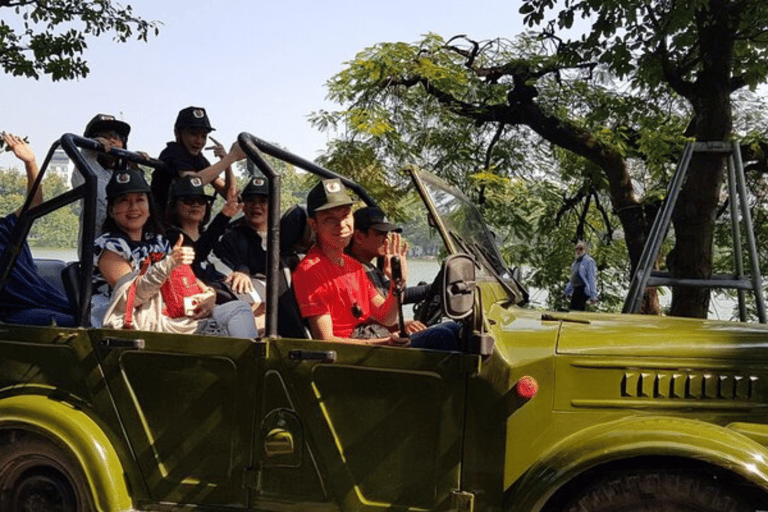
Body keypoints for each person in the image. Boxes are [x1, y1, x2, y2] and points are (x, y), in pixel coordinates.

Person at [292, 179, 460, 350]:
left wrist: (397, 282)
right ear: (313, 224)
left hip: (373, 341)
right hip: (350, 358)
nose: (341, 224)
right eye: (330, 219)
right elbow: (325, 341)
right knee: (444, 336)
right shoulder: (310, 271)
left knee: (455, 329)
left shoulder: (354, 266)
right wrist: (385, 343)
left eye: (345, 215)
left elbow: (387, 317)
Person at [91, 168, 256, 338]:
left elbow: (186, 276)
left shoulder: (158, 241)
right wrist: (167, 265)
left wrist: (208, 295)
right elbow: (130, 297)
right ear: (111, 210)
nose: (133, 208)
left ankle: (252, 363)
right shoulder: (109, 247)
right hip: (136, 320)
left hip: (171, 311)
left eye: (140, 200)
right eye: (124, 201)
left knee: (240, 309)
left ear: (149, 207)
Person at [0, 133, 75, 326]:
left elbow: (35, 204)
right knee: (76, 323)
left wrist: (30, 162)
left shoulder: (7, 226)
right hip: (13, 311)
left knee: (95, 315)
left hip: (42, 300)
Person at [345, 206, 429, 335]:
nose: (387, 240)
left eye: (387, 234)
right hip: (372, 340)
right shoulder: (352, 271)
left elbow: (389, 301)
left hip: (381, 334)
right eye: (380, 234)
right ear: (359, 237)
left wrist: (399, 281)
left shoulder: (369, 268)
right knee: (445, 334)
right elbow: (379, 315)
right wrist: (402, 325)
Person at [164, 173, 242, 302]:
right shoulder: (172, 239)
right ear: (174, 206)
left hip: (225, 286)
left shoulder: (216, 236)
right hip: (198, 298)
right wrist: (224, 216)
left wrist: (241, 271)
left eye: (201, 200)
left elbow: (234, 258)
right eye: (189, 200)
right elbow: (198, 254)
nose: (196, 205)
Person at [152, 106, 245, 212]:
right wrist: (231, 157)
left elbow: (230, 195)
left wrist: (227, 163)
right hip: (162, 220)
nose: (199, 141)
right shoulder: (173, 152)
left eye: (203, 136)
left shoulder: (200, 160)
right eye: (193, 134)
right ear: (178, 133)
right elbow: (191, 182)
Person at [73, 113, 141, 238]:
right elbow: (85, 156)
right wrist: (94, 144)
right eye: (102, 136)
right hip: (93, 249)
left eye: (116, 136)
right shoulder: (87, 169)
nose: (111, 140)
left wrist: (135, 164)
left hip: (124, 246)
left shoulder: (124, 175)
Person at [564, 240, 599, 311]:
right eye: (577, 248)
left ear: (585, 250)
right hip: (576, 290)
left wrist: (593, 296)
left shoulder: (589, 261)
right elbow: (573, 279)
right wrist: (567, 292)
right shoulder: (576, 262)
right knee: (573, 309)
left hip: (583, 290)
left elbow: (592, 279)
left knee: (576, 311)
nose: (578, 251)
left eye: (581, 249)